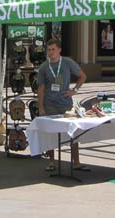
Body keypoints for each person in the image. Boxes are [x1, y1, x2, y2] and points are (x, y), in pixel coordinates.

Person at [36, 38, 89, 172]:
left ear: (59, 50)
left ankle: (76, 162)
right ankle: (52, 162)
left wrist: (74, 90)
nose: (51, 52)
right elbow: (41, 88)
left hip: (66, 103)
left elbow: (82, 76)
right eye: (49, 50)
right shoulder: (44, 67)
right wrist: (41, 107)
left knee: (73, 132)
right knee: (51, 133)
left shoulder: (67, 62)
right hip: (50, 104)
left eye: (53, 49)